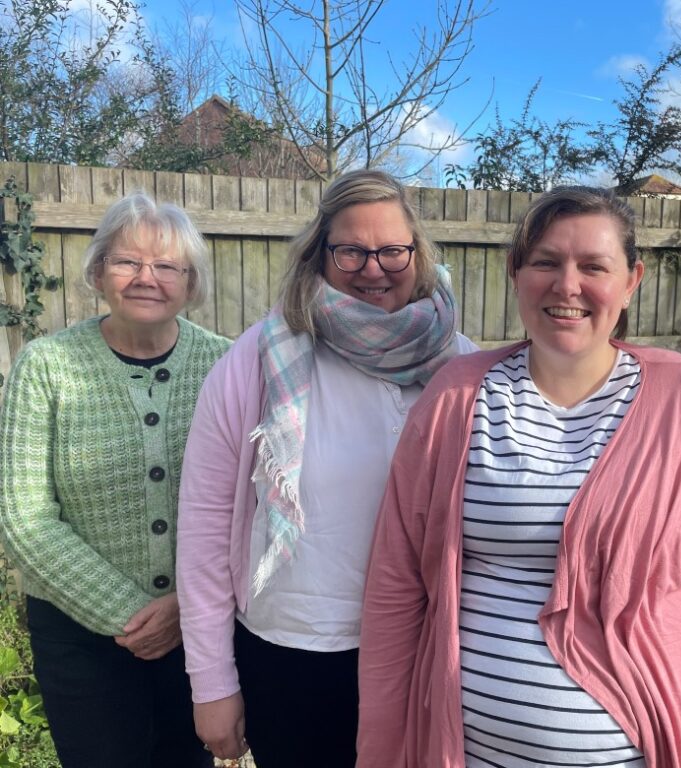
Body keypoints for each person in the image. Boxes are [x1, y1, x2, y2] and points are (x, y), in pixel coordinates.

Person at [356, 186, 681, 768]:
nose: (567, 286)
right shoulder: (456, 395)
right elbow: (395, 586)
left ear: (631, 281)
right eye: (546, 262)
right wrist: (379, 752)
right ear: (515, 273)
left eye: (594, 267)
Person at [175, 169, 476, 768]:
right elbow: (205, 527)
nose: (374, 268)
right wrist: (211, 683)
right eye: (351, 251)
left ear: (417, 253)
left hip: (426, 649)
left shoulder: (459, 364)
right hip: (296, 656)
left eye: (392, 250)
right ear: (320, 253)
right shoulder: (257, 359)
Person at [0, 192, 228, 768]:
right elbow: (24, 518)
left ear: (191, 282)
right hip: (78, 635)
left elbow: (251, 505)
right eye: (128, 261)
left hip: (198, 628)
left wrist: (186, 607)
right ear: (99, 270)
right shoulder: (45, 366)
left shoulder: (227, 366)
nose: (146, 278)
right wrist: (132, 615)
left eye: (167, 265)